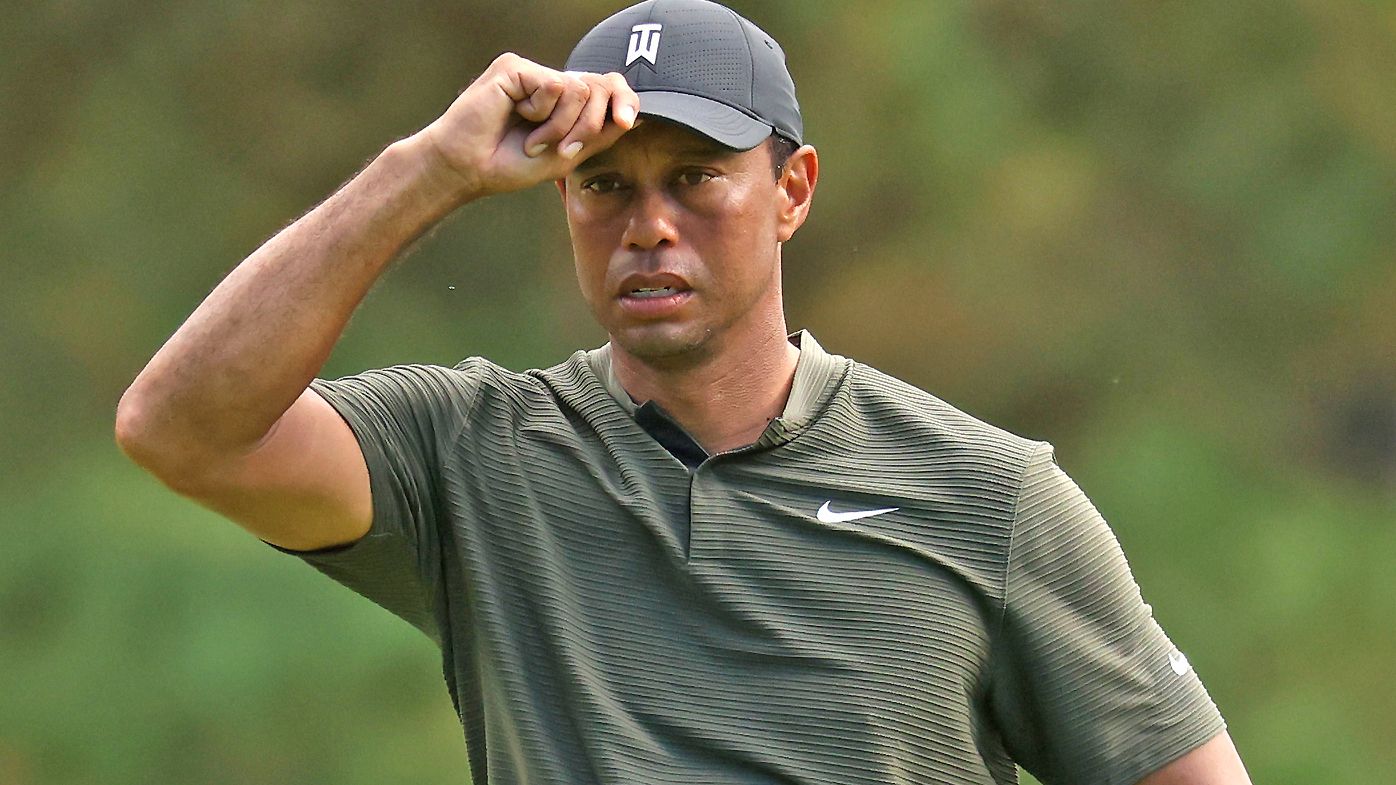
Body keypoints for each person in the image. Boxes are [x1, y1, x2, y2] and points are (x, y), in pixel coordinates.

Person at [115, 1, 1253, 783]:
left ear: (791, 191)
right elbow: (182, 429)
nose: (648, 223)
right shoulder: (472, 457)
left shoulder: (989, 496)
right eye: (603, 183)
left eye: (697, 176)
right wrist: (431, 169)